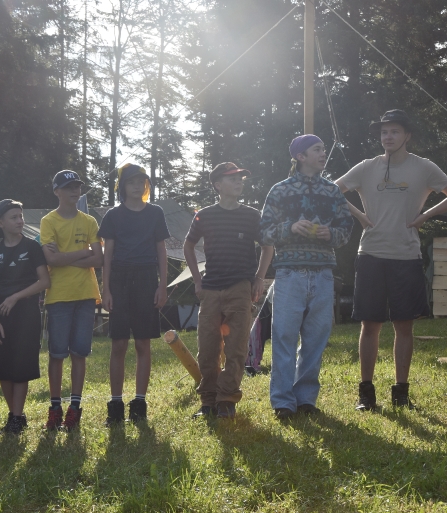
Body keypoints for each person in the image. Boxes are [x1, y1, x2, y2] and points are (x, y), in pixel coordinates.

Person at [335, 109, 447, 410]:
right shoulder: (367, 167)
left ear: (407, 135)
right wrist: (360, 215)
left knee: (404, 325)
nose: (388, 137)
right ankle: (366, 394)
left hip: (406, 256)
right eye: (384, 132)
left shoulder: (424, 167)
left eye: (394, 131)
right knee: (370, 324)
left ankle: (401, 392)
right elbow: (331, 190)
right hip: (370, 254)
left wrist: (424, 216)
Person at [260, 135, 354, 419]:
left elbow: (346, 229)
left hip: (324, 274)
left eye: (323, 149)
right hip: (289, 274)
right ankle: (283, 402)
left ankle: (305, 399)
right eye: (317, 149)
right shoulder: (280, 190)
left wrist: (331, 234)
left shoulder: (332, 191)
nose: (323, 153)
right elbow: (264, 232)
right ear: (300, 157)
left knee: (315, 340)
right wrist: (290, 228)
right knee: (284, 337)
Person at [184, 162, 274, 420]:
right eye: (232, 178)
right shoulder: (204, 215)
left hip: (240, 288)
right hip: (210, 289)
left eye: (240, 178)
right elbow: (188, 246)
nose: (238, 182)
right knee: (207, 349)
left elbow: (268, 246)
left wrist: (259, 278)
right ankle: (208, 401)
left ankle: (226, 400)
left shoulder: (252, 215)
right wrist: (197, 281)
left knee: (236, 348)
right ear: (218, 185)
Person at [99, 163, 170, 425]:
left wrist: (162, 286)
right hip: (119, 279)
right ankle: (115, 404)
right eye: (131, 182)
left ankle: (139, 403)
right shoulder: (113, 215)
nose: (137, 186)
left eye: (141, 181)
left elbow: (161, 251)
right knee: (119, 343)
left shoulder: (155, 212)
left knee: (143, 342)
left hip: (146, 279)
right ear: (122, 187)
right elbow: (107, 254)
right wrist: (105, 288)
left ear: (146, 185)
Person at [40, 170, 103, 431]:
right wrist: (83, 253)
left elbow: (99, 259)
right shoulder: (48, 221)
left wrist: (65, 257)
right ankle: (55, 408)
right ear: (57, 192)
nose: (74, 191)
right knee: (57, 354)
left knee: (79, 353)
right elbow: (51, 260)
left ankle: (74, 409)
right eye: (68, 187)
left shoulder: (89, 221)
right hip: (58, 296)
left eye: (77, 186)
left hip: (86, 295)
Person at [0, 199, 50, 435]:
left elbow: (44, 281)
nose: (20, 221)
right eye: (14, 217)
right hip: (2, 315)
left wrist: (15, 297)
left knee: (21, 366)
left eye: (20, 216)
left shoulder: (32, 247)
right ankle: (14, 415)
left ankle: (16, 416)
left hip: (27, 313)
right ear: (0, 222)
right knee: (2, 367)